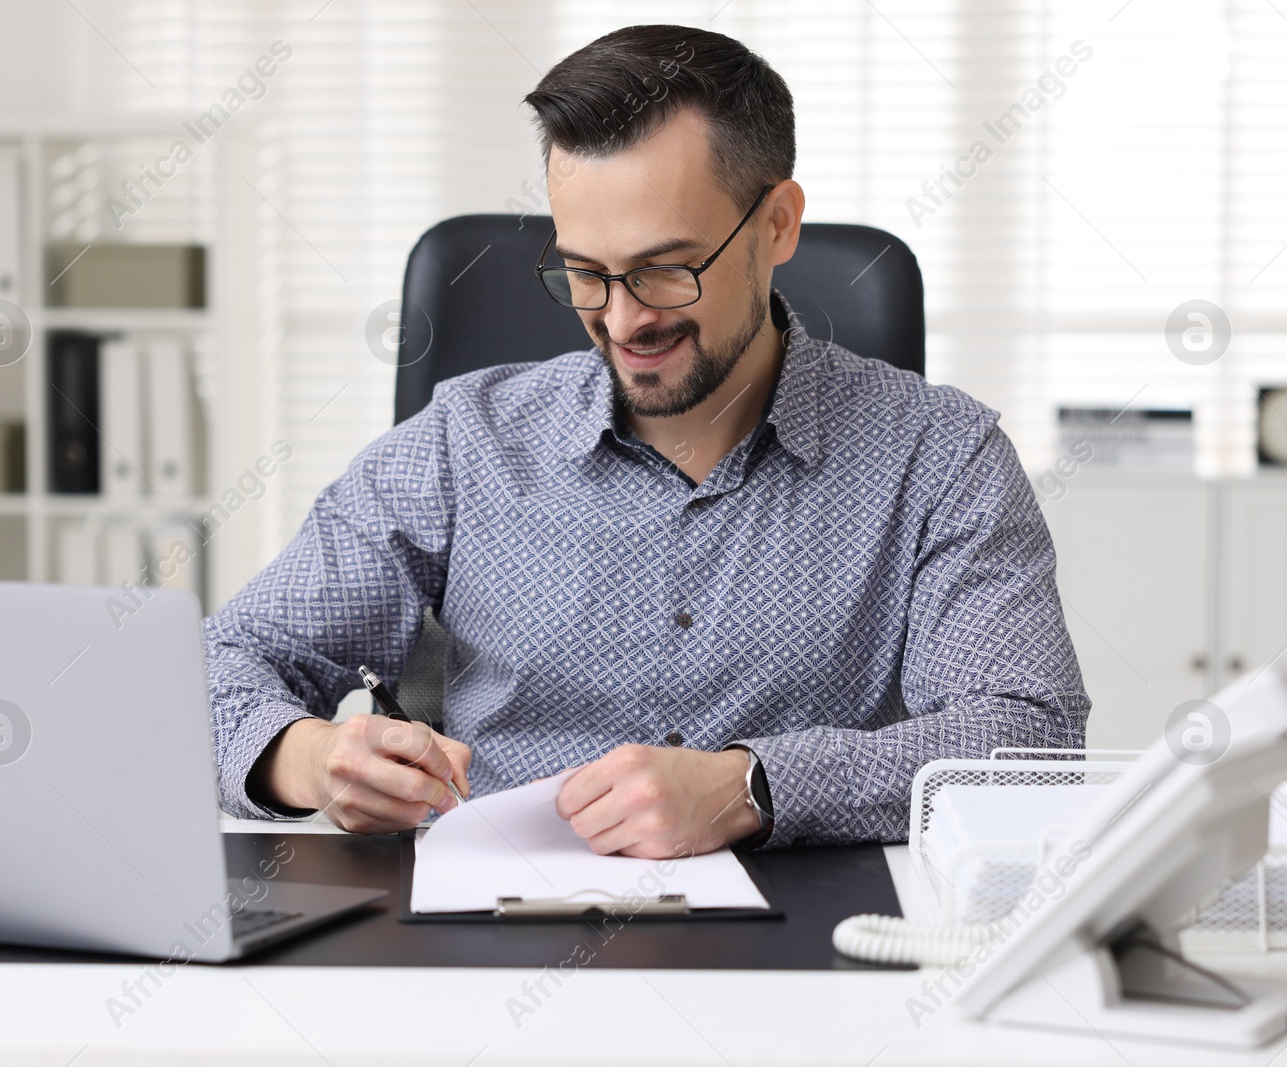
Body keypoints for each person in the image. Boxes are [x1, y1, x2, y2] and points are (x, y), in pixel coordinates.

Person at [204, 24, 1089, 859]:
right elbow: (222, 663)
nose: (624, 320)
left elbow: (1029, 733)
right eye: (585, 273)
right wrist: (309, 759)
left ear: (777, 223)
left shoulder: (941, 455)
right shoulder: (463, 442)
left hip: (813, 954)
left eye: (668, 269)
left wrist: (756, 785)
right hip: (491, 926)